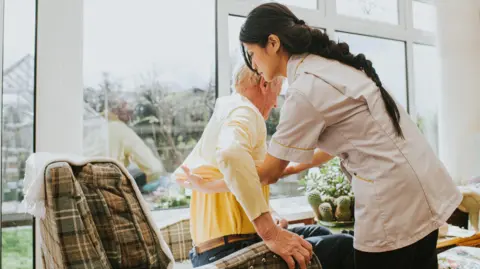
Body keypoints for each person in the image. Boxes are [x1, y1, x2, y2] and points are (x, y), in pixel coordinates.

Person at [183, 2, 463, 268]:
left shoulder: (304, 89)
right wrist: (287, 167)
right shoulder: (328, 67)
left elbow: (266, 172)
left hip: (392, 199)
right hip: (423, 185)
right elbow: (338, 145)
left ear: (273, 43)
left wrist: (211, 185)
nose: (253, 64)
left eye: (252, 54)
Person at [174, 64, 354, 269]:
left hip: (213, 250)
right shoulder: (245, 111)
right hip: (229, 251)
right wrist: (270, 231)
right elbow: (230, 154)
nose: (276, 104)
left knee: (319, 233)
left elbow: (270, 172)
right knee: (344, 246)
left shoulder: (227, 112)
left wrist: (342, 144)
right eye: (277, 94)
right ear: (264, 84)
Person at [83, 97, 167, 191]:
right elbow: (154, 168)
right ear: (116, 111)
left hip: (84, 188)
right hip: (109, 189)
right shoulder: (120, 129)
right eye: (127, 108)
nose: (131, 113)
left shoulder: (91, 127)